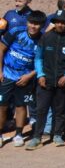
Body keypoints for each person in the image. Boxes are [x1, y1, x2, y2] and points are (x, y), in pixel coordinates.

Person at [27, 11, 65, 150]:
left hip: (63, 82)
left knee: (60, 110)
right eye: (57, 22)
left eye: (63, 22)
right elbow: (38, 58)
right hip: (45, 80)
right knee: (41, 110)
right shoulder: (46, 37)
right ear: (54, 22)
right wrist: (40, 75)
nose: (60, 24)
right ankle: (37, 137)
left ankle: (58, 135)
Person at [0, 10, 44, 147]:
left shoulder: (43, 39)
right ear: (27, 22)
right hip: (7, 74)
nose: (33, 26)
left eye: (37, 24)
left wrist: (30, 75)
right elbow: (1, 49)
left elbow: (43, 61)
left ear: (42, 25)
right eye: (31, 23)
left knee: (21, 105)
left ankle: (18, 134)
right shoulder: (15, 32)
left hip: (26, 77)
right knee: (2, 106)